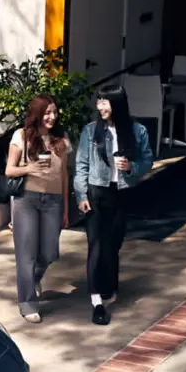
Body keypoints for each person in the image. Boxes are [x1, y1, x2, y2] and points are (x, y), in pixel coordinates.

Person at [74, 84, 154, 326]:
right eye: (98, 101)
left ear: (117, 103)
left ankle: (109, 288)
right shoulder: (91, 131)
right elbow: (81, 165)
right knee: (96, 247)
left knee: (113, 245)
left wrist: (131, 167)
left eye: (104, 102)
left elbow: (147, 160)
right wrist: (81, 195)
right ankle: (96, 302)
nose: (100, 107)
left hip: (121, 192)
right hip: (96, 192)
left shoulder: (137, 131)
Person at [5, 94, 72, 323]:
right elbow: (9, 170)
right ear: (37, 114)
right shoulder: (21, 136)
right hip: (27, 200)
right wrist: (30, 169)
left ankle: (32, 278)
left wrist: (66, 209)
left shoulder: (61, 139)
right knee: (26, 254)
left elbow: (64, 175)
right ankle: (27, 303)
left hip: (53, 200)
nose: (52, 117)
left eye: (54, 112)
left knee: (49, 252)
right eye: (47, 113)